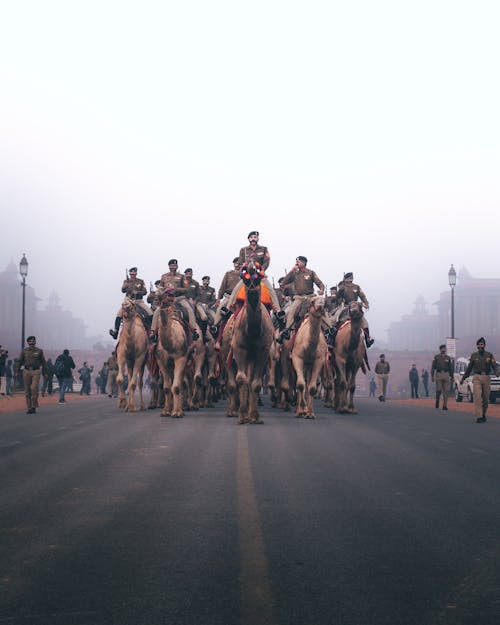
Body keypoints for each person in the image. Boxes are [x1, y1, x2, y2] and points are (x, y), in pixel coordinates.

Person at [226, 231, 282, 314]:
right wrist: (243, 269)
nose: (253, 239)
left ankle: (278, 310)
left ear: (258, 238)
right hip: (247, 276)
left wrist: (262, 270)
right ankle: (228, 308)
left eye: (255, 237)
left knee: (271, 290)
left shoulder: (264, 249)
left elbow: (267, 261)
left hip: (259, 275)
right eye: (251, 237)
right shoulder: (243, 250)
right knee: (236, 289)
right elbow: (240, 262)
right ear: (248, 239)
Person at [279, 256, 326, 340]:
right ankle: (288, 330)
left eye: (298, 261)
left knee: (321, 308)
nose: (296, 263)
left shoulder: (311, 273)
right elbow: (283, 282)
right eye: (296, 261)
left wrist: (322, 290)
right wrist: (291, 271)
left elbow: (320, 283)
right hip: (299, 298)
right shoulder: (294, 274)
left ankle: (328, 329)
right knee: (292, 310)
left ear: (304, 263)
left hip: (311, 297)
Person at [151, 259, 199, 341]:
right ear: (169, 266)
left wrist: (176, 289)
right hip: (167, 300)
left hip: (179, 298)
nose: (173, 267)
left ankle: (194, 331)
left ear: (177, 266)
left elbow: (186, 289)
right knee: (156, 312)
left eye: (175, 265)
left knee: (189, 309)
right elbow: (161, 288)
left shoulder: (181, 276)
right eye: (171, 265)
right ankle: (153, 332)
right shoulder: (164, 276)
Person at [460, 337, 500, 423]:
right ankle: (479, 416)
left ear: (484, 345)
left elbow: (494, 365)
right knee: (477, 397)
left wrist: (497, 373)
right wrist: (463, 378)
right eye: (479, 344)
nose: (480, 346)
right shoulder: (474, 356)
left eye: (482, 344)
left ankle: (484, 414)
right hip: (477, 377)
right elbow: (469, 368)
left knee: (486, 398)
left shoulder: (489, 355)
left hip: (486, 377)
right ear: (477, 346)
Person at [109, 267, 153, 339]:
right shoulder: (126, 281)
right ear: (129, 274)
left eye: (134, 273)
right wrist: (124, 285)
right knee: (119, 314)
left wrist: (138, 292)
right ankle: (115, 332)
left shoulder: (141, 281)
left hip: (138, 301)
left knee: (150, 312)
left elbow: (145, 292)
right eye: (131, 274)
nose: (132, 275)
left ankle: (151, 331)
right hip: (128, 300)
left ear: (136, 273)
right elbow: (123, 290)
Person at [336, 272, 374, 347]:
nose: (350, 280)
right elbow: (337, 298)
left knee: (365, 323)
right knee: (336, 319)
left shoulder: (356, 287)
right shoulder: (343, 287)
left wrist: (366, 303)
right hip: (346, 307)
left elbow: (362, 296)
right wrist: (340, 291)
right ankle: (332, 339)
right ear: (345, 279)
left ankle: (367, 341)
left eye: (351, 278)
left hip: (356, 307)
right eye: (348, 278)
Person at [15, 336, 48, 414]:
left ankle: (34, 406)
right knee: (27, 390)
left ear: (35, 342)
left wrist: (45, 372)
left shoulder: (39, 351)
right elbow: (19, 361)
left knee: (34, 388)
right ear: (28, 342)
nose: (32, 343)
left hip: (36, 371)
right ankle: (29, 407)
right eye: (30, 341)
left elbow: (43, 362)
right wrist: (17, 371)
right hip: (26, 371)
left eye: (33, 341)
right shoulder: (24, 351)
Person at [213, 258, 241, 325]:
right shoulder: (228, 274)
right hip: (228, 296)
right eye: (236, 263)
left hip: (239, 297)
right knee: (220, 308)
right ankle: (215, 325)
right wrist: (219, 299)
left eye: (239, 264)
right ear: (234, 264)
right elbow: (222, 287)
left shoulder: (244, 275)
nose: (237, 265)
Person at [430, 345, 453, 410]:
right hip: (439, 374)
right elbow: (433, 367)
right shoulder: (436, 357)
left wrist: (452, 376)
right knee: (439, 390)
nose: (443, 350)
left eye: (444, 349)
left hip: (446, 374)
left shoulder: (448, 358)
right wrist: (432, 376)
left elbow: (450, 368)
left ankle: (444, 405)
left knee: (446, 391)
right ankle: (437, 400)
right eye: (442, 349)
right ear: (440, 350)